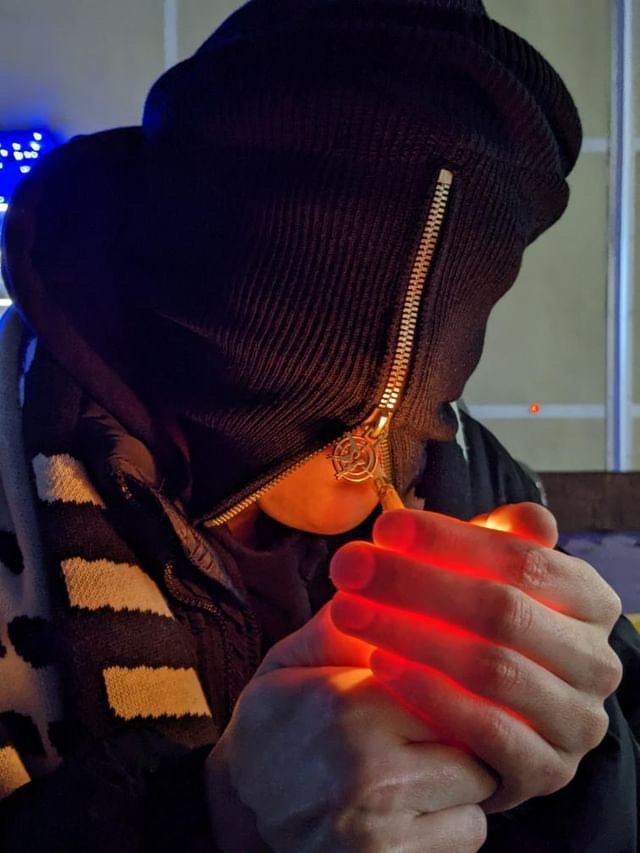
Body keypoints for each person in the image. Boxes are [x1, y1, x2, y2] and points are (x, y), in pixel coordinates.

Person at [0, 0, 637, 850]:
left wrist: (573, 759)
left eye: (399, 423)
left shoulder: (474, 482)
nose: (367, 471)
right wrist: (213, 813)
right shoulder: (22, 480)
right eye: (301, 406)